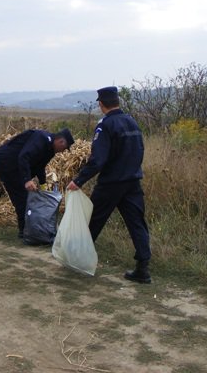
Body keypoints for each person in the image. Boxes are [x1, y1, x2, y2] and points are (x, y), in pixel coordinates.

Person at [67, 86, 151, 284]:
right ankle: (143, 268)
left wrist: (78, 180)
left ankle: (79, 261)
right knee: (137, 224)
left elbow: (98, 160)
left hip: (111, 183)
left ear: (101, 104)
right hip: (132, 182)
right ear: (118, 102)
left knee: (93, 221)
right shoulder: (131, 122)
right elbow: (140, 151)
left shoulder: (105, 125)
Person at [0, 127, 74, 238]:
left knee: (26, 195)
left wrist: (43, 185)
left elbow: (40, 167)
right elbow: (24, 157)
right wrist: (27, 180)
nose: (63, 151)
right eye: (65, 148)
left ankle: (29, 229)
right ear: (61, 141)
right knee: (22, 195)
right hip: (6, 160)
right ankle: (25, 231)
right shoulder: (41, 139)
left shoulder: (50, 150)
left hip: (17, 163)